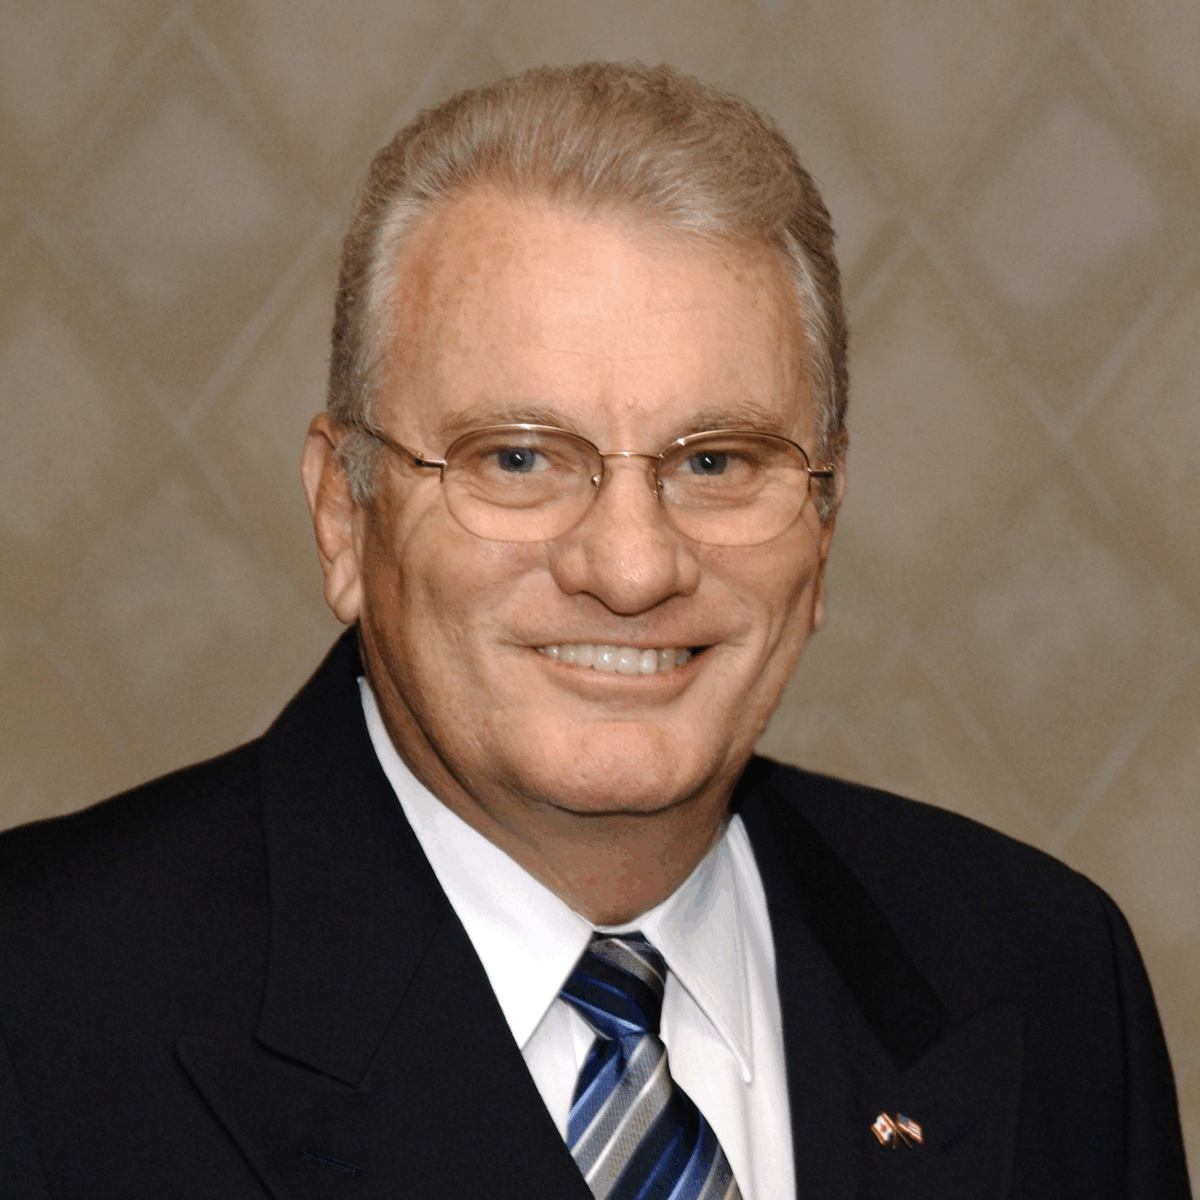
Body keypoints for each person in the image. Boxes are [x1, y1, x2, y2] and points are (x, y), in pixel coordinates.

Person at [0, 62, 1189, 1200]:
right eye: (519, 459)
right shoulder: (39, 1005)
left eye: (718, 461)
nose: (631, 568)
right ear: (343, 518)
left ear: (823, 523)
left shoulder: (1045, 978)